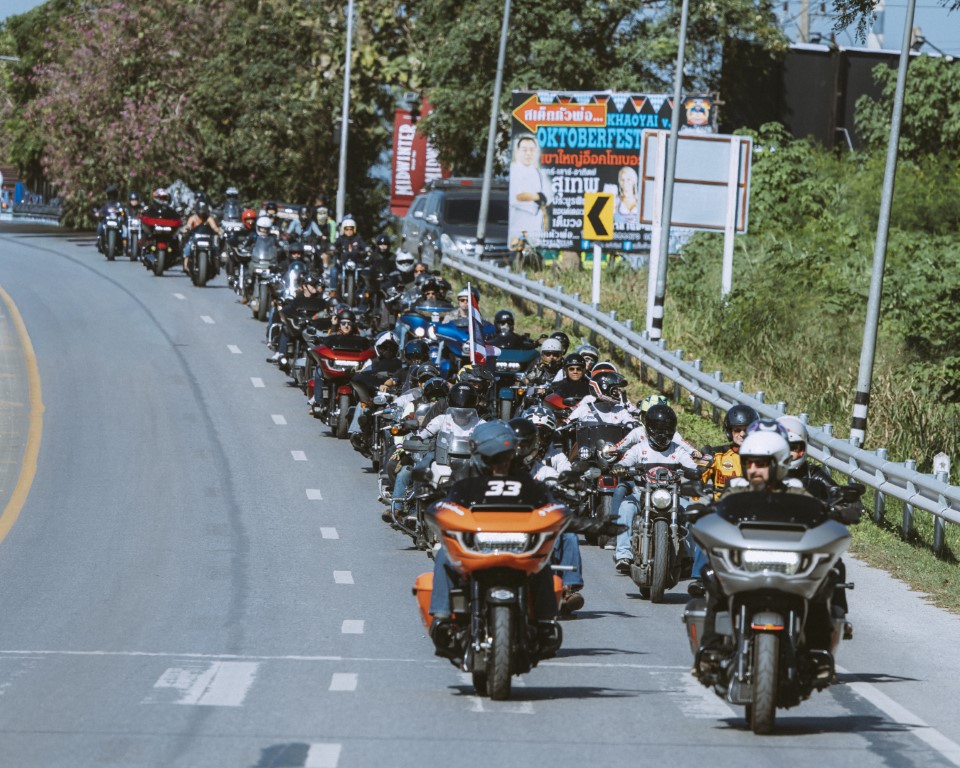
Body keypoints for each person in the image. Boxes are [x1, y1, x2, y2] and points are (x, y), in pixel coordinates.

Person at [692, 428, 858, 681]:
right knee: (714, 577)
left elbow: (818, 514)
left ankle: (818, 653)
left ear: (777, 465)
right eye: (749, 463)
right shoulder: (735, 489)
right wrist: (701, 510)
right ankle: (711, 650)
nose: (753, 470)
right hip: (745, 564)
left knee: (822, 583)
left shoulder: (796, 491)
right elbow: (717, 511)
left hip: (787, 566)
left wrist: (839, 512)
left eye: (761, 464)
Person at [428, 420, 561, 663]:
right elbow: (448, 498)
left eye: (506, 458)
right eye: (494, 459)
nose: (502, 464)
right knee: (444, 556)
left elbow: (543, 499)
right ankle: (443, 617)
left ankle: (545, 622)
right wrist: (436, 495)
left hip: (516, 542)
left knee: (543, 562)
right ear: (479, 455)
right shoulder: (463, 475)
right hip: (477, 543)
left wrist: (555, 500)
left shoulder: (522, 477)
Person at [509, 415, 585, 615]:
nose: (519, 450)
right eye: (515, 445)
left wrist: (569, 488)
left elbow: (562, 482)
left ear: (533, 447)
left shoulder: (543, 470)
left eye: (524, 446)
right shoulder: (496, 469)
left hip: (536, 521)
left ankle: (568, 588)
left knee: (568, 534)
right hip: (503, 522)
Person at [612, 403, 700, 574]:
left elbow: (692, 466)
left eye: (667, 430)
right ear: (650, 429)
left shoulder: (678, 450)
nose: (662, 434)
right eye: (659, 430)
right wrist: (621, 466)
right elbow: (625, 460)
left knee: (691, 511)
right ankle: (623, 554)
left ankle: (688, 557)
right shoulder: (639, 449)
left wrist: (696, 471)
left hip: (672, 496)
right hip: (641, 494)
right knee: (625, 507)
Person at [700, 404, 760, 499]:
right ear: (729, 432)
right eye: (737, 430)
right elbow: (698, 477)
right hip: (722, 506)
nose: (742, 434)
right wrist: (697, 475)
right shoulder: (717, 454)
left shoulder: (762, 457)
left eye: (746, 430)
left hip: (752, 505)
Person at [508, 133, 552, 247]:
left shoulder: (538, 172)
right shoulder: (514, 170)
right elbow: (517, 197)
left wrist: (541, 199)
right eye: (524, 150)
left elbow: (547, 198)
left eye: (532, 150)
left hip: (535, 226)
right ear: (518, 151)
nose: (528, 153)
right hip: (518, 224)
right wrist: (537, 196)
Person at [181, 199, 223, 271]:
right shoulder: (193, 218)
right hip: (195, 238)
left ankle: (216, 266)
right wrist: (186, 229)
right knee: (188, 247)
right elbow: (188, 226)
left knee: (215, 248)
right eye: (200, 209)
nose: (202, 211)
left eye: (203, 209)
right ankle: (185, 265)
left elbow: (214, 227)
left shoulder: (209, 218)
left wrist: (219, 231)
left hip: (207, 238)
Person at [613, 166, 639, 230]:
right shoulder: (615, 200)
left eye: (628, 179)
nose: (625, 182)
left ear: (634, 181)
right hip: (620, 234)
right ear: (619, 181)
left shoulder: (641, 201)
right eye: (622, 180)